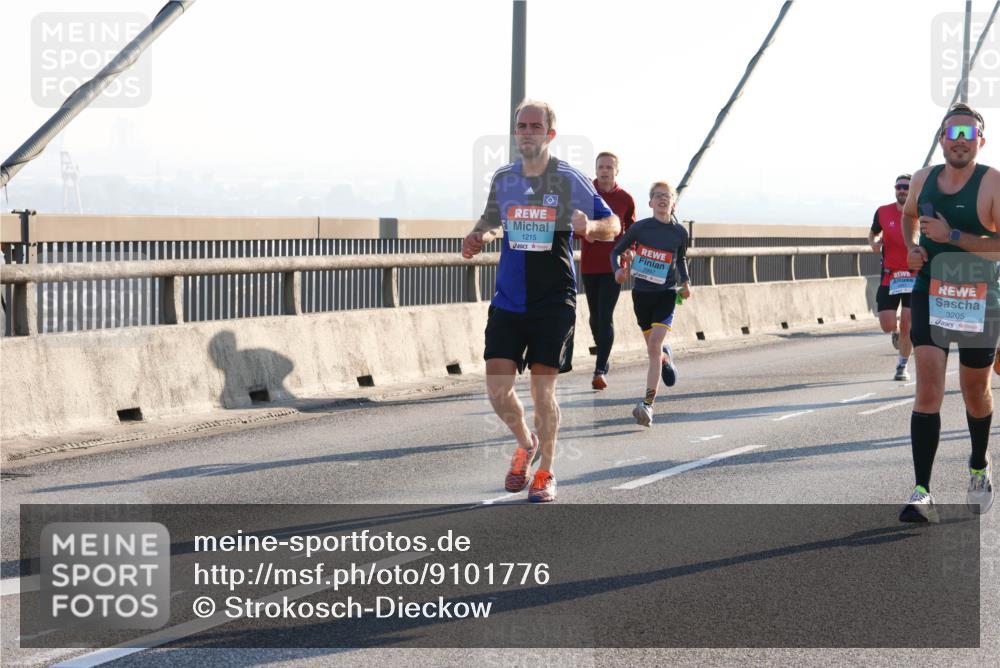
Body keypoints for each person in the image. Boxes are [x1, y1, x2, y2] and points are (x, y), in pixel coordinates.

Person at [461, 99, 620, 502]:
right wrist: (479, 235)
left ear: (550, 134)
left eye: (535, 126)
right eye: (521, 126)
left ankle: (546, 470)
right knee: (497, 388)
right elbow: (492, 218)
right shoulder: (504, 178)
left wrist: (592, 226)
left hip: (554, 300)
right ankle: (526, 442)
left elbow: (612, 225)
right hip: (509, 299)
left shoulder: (568, 178)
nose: (527, 132)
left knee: (541, 392)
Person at [900, 102, 996, 522]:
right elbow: (909, 217)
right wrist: (913, 248)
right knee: (928, 390)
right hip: (931, 290)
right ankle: (923, 491)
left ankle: (978, 464)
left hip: (978, 297)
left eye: (967, 134)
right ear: (941, 139)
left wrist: (952, 235)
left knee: (975, 391)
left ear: (981, 140)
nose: (960, 141)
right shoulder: (922, 179)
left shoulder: (993, 184)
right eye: (952, 133)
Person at [610, 181, 690, 427]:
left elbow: (681, 259)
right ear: (650, 202)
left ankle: (648, 404)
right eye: (657, 196)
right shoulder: (640, 229)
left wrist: (686, 282)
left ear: (673, 203)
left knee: (653, 345)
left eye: (667, 196)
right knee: (655, 351)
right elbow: (616, 252)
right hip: (642, 296)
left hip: (666, 294)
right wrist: (618, 271)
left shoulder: (680, 233)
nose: (662, 200)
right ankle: (665, 358)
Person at [581, 152, 636, 390]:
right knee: (594, 317)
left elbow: (633, 229)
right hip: (590, 264)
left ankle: (600, 368)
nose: (604, 171)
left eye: (609, 167)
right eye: (601, 167)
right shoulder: (585, 193)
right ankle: (604, 352)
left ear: (616, 171)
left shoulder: (625, 198)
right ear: (595, 169)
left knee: (605, 315)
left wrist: (631, 249)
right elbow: (573, 225)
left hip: (615, 267)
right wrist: (586, 233)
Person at [869, 174, 915, 380]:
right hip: (891, 277)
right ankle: (896, 333)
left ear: (912, 189)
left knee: (907, 323)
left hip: (915, 278)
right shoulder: (883, 212)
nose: (902, 190)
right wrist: (874, 243)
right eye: (899, 187)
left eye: (906, 187)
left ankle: (902, 366)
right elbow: (873, 234)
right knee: (888, 325)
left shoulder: (920, 212)